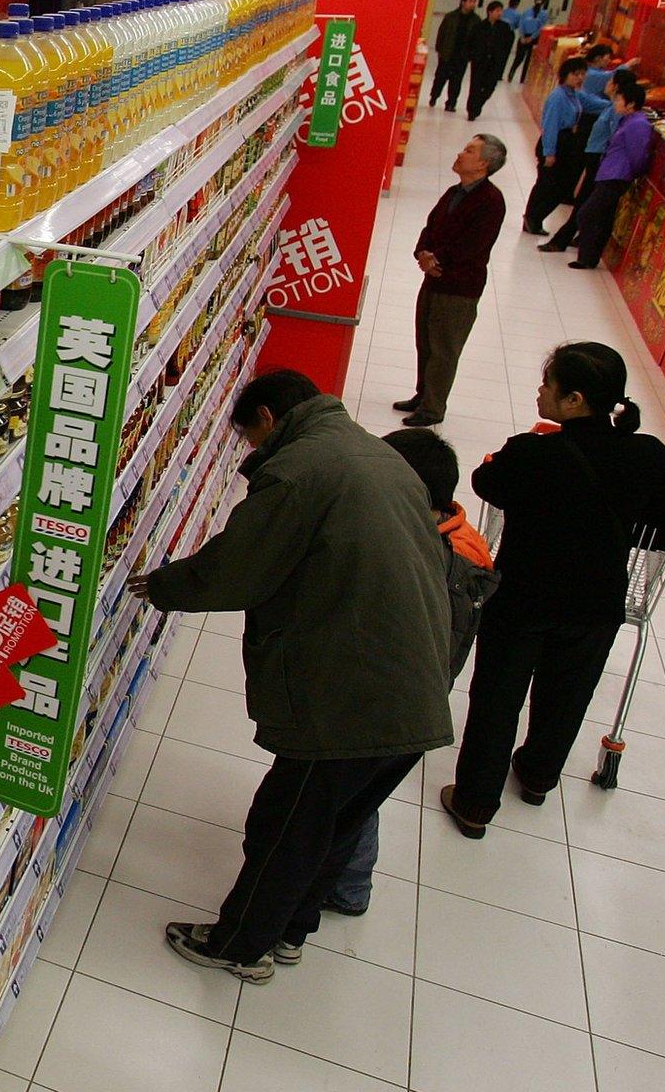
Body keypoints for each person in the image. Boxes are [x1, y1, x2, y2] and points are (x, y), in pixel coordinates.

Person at [128, 371, 454, 982]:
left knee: (286, 826)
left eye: (250, 438)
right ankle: (290, 934)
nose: (252, 451)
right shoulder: (374, 454)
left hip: (350, 698)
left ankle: (239, 946)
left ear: (270, 419)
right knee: (336, 826)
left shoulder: (299, 471)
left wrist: (164, 585)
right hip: (415, 686)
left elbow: (239, 568)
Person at [442, 343, 665, 837]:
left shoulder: (531, 453)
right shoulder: (645, 455)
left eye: (549, 385)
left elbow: (484, 482)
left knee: (498, 699)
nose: (540, 391)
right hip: (596, 605)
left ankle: (476, 803)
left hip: (522, 599)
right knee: (567, 696)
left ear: (574, 400)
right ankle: (539, 776)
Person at [325, 429, 496, 917]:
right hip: (417, 692)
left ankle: (346, 886)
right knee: (360, 793)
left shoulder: (430, 556)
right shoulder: (462, 540)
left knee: (350, 795)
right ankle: (349, 884)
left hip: (392, 695)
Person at [396, 135, 509, 427]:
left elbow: (473, 244)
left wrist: (437, 259)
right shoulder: (454, 191)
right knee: (425, 341)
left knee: (444, 348)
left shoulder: (491, 201)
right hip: (433, 280)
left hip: (459, 287)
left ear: (483, 163)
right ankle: (422, 395)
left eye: (469, 150)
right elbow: (431, 225)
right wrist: (422, 252)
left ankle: (433, 408)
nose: (461, 153)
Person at [544, 78, 655, 268]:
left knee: (588, 214)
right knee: (601, 216)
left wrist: (632, 173)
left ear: (631, 104)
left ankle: (586, 257)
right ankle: (588, 258)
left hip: (616, 176)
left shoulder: (638, 124)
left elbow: (638, 155)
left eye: (619, 100)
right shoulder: (629, 120)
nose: (616, 103)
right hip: (609, 173)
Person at [522, 58, 612, 235]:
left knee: (556, 184)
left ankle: (534, 218)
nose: (579, 78)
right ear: (565, 75)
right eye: (575, 74)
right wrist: (549, 152)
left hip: (567, 143)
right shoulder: (558, 97)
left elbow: (594, 104)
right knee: (548, 184)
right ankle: (532, 218)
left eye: (582, 74)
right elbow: (550, 126)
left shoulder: (575, 94)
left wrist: (616, 103)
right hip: (555, 142)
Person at [430, 0, 483, 112]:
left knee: (456, 81)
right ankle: (434, 96)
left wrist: (471, 54)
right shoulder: (451, 16)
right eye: (470, 1)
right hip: (448, 53)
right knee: (440, 78)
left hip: (462, 55)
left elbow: (477, 39)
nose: (472, 4)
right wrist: (439, 49)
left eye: (474, 2)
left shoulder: (476, 20)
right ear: (463, 2)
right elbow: (442, 33)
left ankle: (451, 103)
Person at [465, 1, 516, 120]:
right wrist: (471, 56)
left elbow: (507, 44)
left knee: (490, 87)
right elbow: (470, 42)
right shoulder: (479, 26)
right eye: (497, 11)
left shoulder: (504, 27)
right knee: (475, 87)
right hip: (479, 61)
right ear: (490, 12)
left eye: (501, 11)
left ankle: (477, 105)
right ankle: (471, 111)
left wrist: (502, 57)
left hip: (495, 62)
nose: (500, 13)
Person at [507, 0, 549, 83]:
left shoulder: (544, 14)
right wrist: (522, 36)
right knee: (519, 57)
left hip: (534, 38)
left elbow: (541, 27)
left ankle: (523, 78)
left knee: (529, 60)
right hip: (524, 36)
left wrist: (532, 37)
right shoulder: (527, 12)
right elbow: (521, 24)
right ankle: (511, 72)